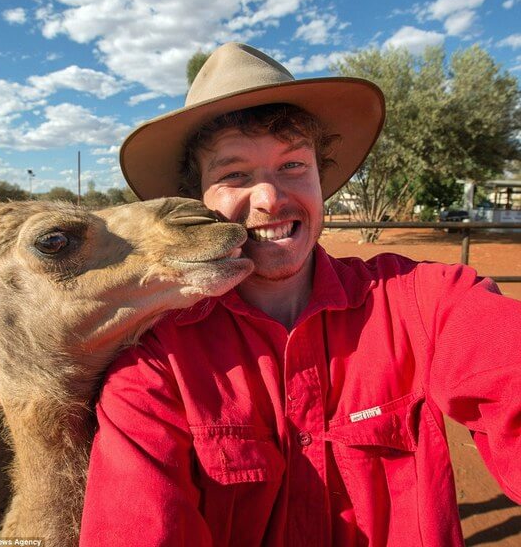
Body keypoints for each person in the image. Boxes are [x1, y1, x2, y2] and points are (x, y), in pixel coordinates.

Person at [80, 43, 521, 546]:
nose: (270, 198)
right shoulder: (158, 362)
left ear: (319, 178)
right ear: (196, 201)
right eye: (234, 174)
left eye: (292, 165)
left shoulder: (427, 302)